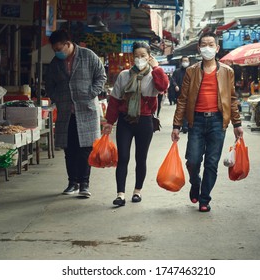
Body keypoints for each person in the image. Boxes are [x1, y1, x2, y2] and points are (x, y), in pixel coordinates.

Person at [171, 32, 243, 212]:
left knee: (211, 162)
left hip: (218, 122)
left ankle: (205, 199)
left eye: (211, 44)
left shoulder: (227, 72)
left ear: (217, 48)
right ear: (199, 48)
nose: (207, 48)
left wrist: (237, 124)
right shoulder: (191, 71)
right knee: (193, 161)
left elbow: (232, 99)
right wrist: (176, 125)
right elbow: (183, 99)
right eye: (204, 44)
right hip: (196, 121)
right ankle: (195, 183)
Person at [102, 42, 168, 206]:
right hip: (125, 120)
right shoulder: (124, 75)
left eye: (143, 56)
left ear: (149, 57)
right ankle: (120, 194)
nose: (139, 59)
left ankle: (137, 191)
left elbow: (163, 86)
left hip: (145, 121)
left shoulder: (154, 75)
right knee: (123, 157)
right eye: (136, 56)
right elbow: (115, 101)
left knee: (141, 158)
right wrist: (109, 122)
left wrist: (157, 67)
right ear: (132, 57)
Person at [45, 29, 107, 198]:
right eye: (55, 50)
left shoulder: (88, 55)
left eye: (60, 49)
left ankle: (84, 184)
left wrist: (92, 93)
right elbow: (49, 85)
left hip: (86, 110)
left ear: (68, 44)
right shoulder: (55, 63)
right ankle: (72, 183)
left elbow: (101, 76)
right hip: (66, 112)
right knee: (69, 149)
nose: (58, 53)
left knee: (85, 148)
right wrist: (57, 97)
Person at [170, 56, 190, 133]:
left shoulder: (191, 71)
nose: (185, 62)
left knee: (188, 110)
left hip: (189, 94)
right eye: (184, 61)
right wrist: (176, 86)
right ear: (181, 62)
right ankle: (180, 125)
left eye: (186, 61)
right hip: (180, 94)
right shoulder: (177, 71)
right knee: (181, 110)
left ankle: (186, 125)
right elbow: (173, 79)